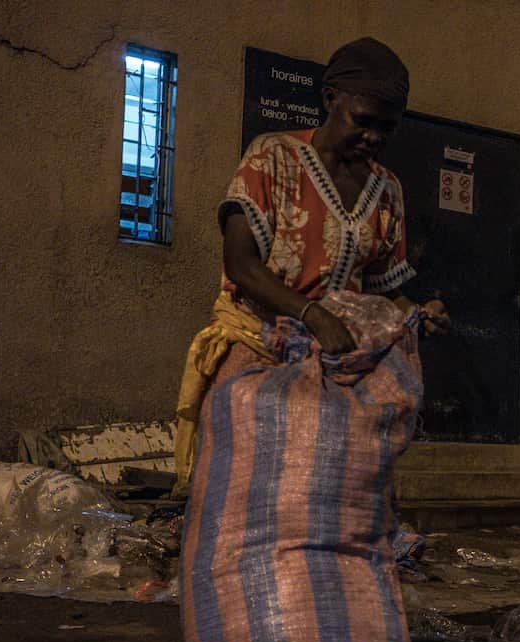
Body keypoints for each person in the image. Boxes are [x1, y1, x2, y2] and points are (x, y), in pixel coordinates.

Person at [174, 37, 447, 489]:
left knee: (329, 485)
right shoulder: (272, 157)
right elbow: (240, 263)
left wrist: (416, 314)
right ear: (329, 99)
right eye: (363, 121)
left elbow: (381, 288)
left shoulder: (388, 190)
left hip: (338, 364)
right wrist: (311, 315)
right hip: (259, 349)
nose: (373, 137)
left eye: (387, 128)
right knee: (253, 479)